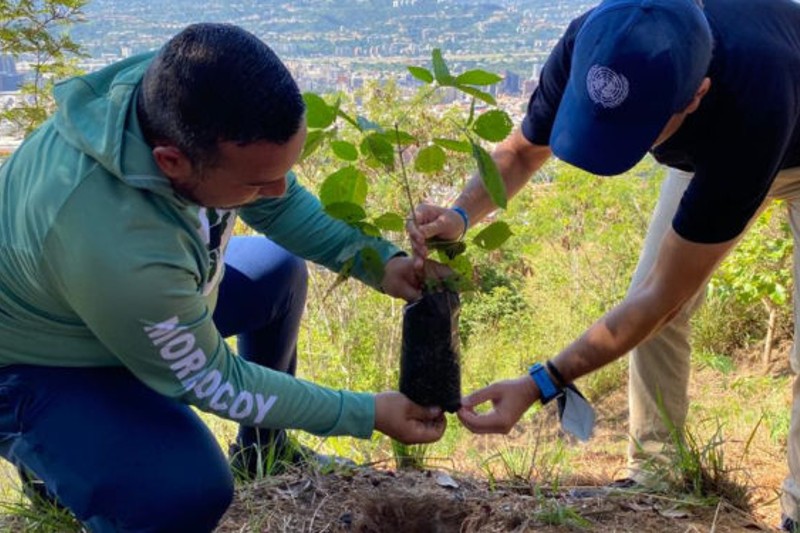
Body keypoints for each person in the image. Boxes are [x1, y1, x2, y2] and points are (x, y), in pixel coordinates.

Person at [0, 23, 446, 531]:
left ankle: (263, 449)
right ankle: (57, 462)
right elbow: (213, 379)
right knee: (185, 493)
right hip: (34, 361)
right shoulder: (116, 244)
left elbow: (283, 206)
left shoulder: (176, 92)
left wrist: (380, 263)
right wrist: (365, 412)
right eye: (257, 182)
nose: (278, 190)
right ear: (172, 161)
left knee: (277, 273)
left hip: (116, 304)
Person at [408, 0, 800, 528]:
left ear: (695, 95)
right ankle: (658, 473)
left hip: (777, 135)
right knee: (653, 308)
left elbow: (661, 300)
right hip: (714, 145)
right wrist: (459, 215)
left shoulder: (752, 99)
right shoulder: (596, 41)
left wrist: (540, 383)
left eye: (637, 129)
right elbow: (524, 152)